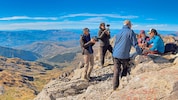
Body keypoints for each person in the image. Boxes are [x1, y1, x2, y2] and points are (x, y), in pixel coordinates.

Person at [112, 20, 142, 90]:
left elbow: (116, 43)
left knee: (116, 71)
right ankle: (123, 84)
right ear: (129, 25)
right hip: (124, 55)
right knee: (125, 69)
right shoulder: (130, 32)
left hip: (115, 54)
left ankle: (115, 87)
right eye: (131, 24)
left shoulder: (118, 32)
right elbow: (135, 44)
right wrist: (140, 52)